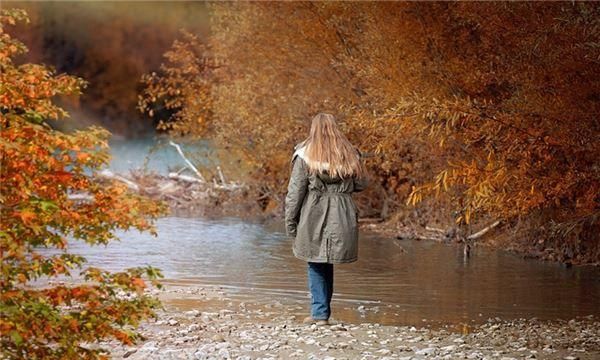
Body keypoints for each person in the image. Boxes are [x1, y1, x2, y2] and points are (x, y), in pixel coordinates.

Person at [285, 112, 368, 326]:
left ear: (313, 130)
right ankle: (321, 312)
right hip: (342, 210)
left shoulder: (304, 155)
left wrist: (290, 223)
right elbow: (362, 184)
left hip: (315, 209)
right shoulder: (350, 154)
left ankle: (320, 314)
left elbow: (295, 193)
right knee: (325, 260)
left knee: (316, 260)